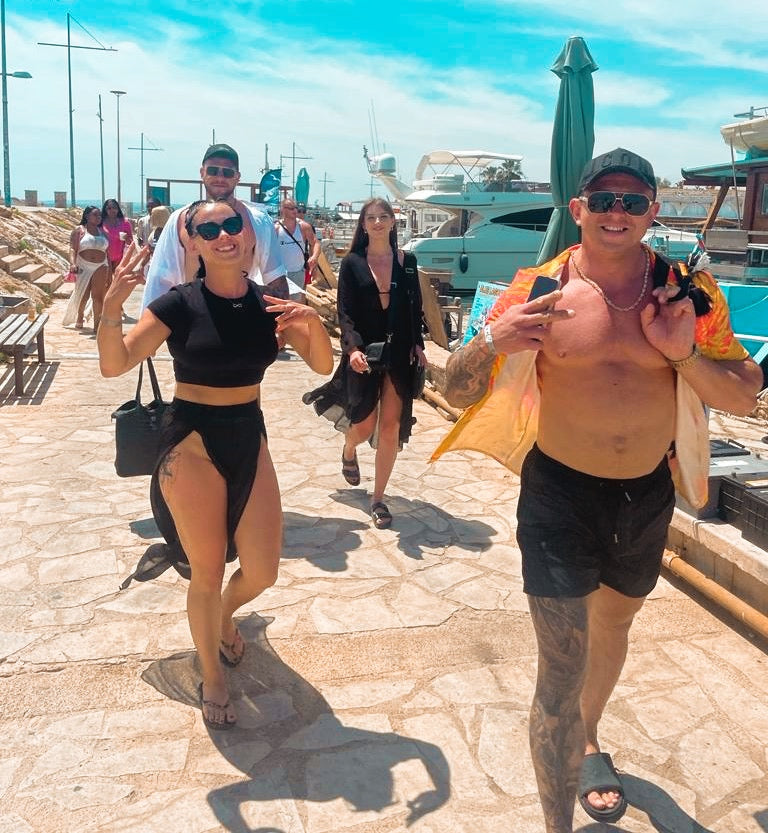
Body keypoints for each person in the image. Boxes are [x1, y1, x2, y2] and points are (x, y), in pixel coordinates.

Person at [433, 148, 762, 832]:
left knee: (614, 626)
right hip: (558, 493)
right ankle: (558, 824)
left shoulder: (686, 292)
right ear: (578, 209)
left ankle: (589, 738)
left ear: (651, 211)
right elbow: (452, 390)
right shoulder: (537, 289)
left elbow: (745, 397)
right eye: (603, 200)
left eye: (633, 200)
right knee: (561, 666)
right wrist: (494, 340)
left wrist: (682, 353)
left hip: (645, 496)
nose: (618, 212)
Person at [97, 198, 333, 730]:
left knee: (264, 571)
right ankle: (213, 676)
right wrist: (113, 306)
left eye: (233, 225)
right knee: (206, 571)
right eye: (208, 229)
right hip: (193, 443)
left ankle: (225, 615)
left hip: (250, 435)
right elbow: (115, 363)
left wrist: (312, 321)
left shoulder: (271, 306)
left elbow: (322, 363)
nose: (223, 234)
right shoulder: (178, 304)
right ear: (194, 245)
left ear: (250, 238)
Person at [303, 198, 426, 529]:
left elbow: (416, 308)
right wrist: (352, 348)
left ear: (392, 222)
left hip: (399, 353)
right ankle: (348, 450)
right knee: (364, 425)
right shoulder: (353, 263)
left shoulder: (408, 262)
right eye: (371, 217)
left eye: (383, 216)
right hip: (364, 355)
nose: (377, 222)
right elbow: (345, 312)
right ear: (363, 224)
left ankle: (378, 499)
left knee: (390, 428)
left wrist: (418, 344)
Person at [141, 143, 301, 309]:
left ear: (237, 177)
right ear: (202, 173)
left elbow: (276, 279)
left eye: (227, 172)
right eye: (213, 170)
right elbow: (160, 280)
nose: (220, 177)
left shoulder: (258, 221)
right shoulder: (179, 220)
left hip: (243, 315)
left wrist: (279, 325)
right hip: (193, 319)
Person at [63, 205, 110, 331]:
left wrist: (110, 272)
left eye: (100, 215)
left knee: (98, 296)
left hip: (101, 265)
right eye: (95, 215)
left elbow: (108, 253)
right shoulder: (79, 230)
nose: (98, 217)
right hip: (83, 264)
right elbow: (72, 248)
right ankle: (80, 316)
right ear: (87, 216)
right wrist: (72, 263)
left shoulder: (103, 232)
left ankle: (97, 325)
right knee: (83, 293)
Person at [275, 198, 321, 302]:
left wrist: (314, 257)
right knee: (281, 303)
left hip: (297, 272)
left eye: (295, 208)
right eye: (291, 208)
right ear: (283, 209)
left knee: (295, 304)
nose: (295, 211)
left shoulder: (303, 227)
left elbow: (315, 243)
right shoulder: (276, 228)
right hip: (281, 274)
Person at [101, 198, 134, 272]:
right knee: (105, 281)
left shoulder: (125, 223)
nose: (112, 210)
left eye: (114, 208)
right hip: (103, 258)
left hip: (119, 258)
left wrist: (126, 238)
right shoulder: (100, 222)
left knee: (117, 280)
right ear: (105, 210)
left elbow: (131, 242)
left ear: (118, 209)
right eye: (109, 208)